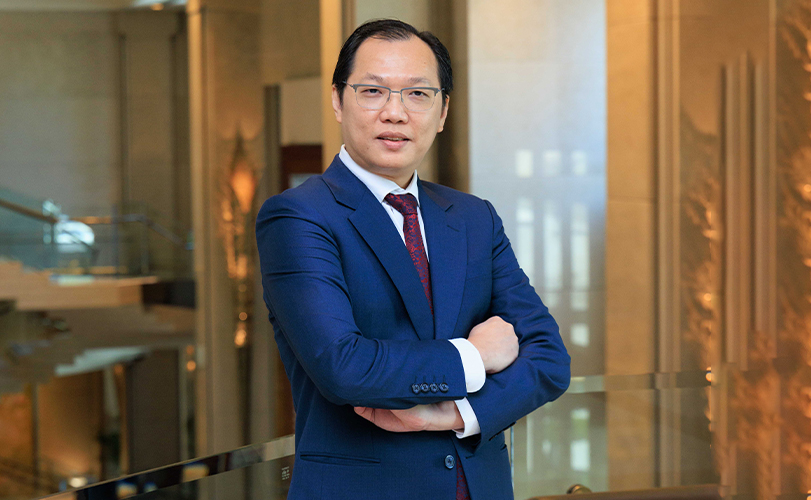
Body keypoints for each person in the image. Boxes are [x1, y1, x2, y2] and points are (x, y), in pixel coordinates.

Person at [256, 19, 570, 500]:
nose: (395, 113)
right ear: (338, 100)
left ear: (443, 111)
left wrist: (453, 414)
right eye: (372, 91)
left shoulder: (473, 217)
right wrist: (474, 357)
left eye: (418, 94)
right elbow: (345, 366)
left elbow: (548, 357)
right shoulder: (298, 217)